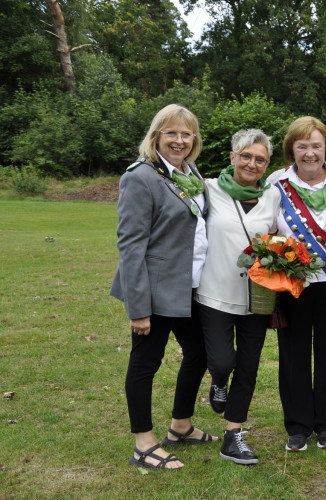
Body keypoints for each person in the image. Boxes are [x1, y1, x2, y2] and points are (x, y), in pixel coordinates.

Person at [111, 104, 217, 470]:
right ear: (156, 135)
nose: (179, 140)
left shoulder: (189, 173)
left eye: (186, 134)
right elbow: (131, 245)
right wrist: (138, 308)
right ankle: (143, 444)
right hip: (155, 291)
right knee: (145, 362)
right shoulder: (141, 177)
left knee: (201, 353)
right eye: (171, 133)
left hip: (188, 287)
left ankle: (181, 426)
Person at [194, 129, 281, 465]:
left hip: (255, 299)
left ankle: (233, 435)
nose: (252, 163)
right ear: (232, 158)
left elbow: (277, 237)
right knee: (222, 362)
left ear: (267, 164)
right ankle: (218, 381)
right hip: (214, 292)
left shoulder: (273, 196)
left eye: (259, 159)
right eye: (245, 156)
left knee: (248, 367)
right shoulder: (209, 190)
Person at [265, 116, 326, 452]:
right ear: (292, 149)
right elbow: (267, 227)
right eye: (302, 146)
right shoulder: (276, 182)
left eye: (316, 145)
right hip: (292, 285)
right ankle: (298, 426)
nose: (310, 153)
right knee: (293, 353)